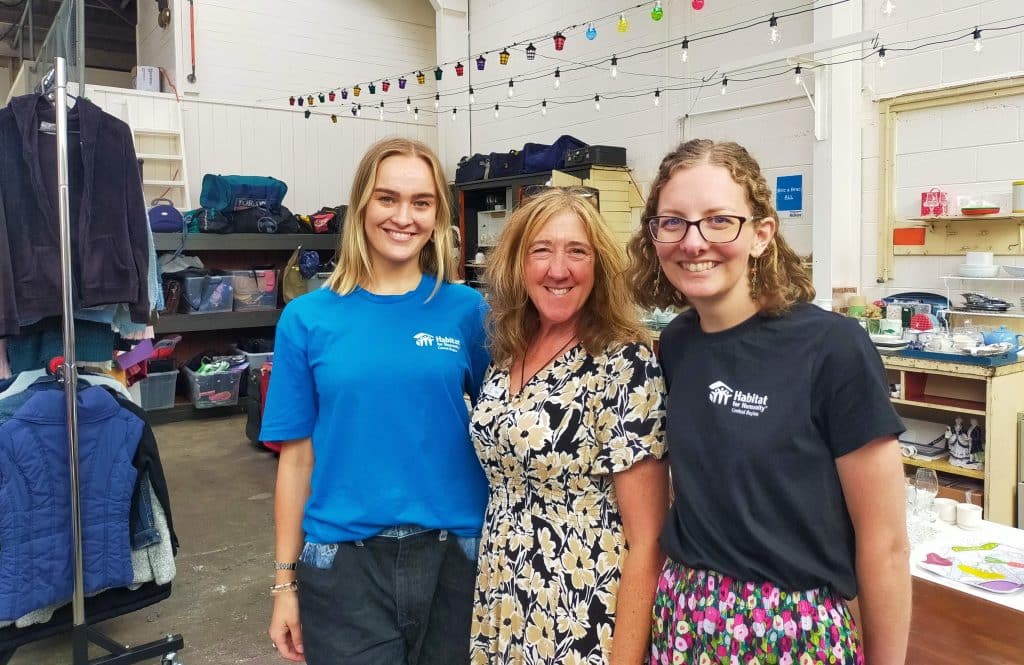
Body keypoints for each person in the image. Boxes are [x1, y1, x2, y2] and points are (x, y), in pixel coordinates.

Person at [626, 139, 910, 664]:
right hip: (682, 622)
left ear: (761, 235)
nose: (693, 241)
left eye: (718, 220)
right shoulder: (679, 344)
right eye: (673, 222)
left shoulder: (832, 347)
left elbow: (886, 543)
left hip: (793, 635)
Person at [262, 137, 490, 665]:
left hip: (455, 552)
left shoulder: (467, 311)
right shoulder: (307, 318)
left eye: (421, 202)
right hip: (343, 564)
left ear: (437, 215)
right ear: (362, 203)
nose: (403, 217)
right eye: (388, 198)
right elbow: (296, 462)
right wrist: (284, 584)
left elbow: (503, 427)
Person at [470, 187, 669, 664]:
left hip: (580, 614)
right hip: (501, 599)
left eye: (576, 251)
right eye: (542, 250)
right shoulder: (509, 348)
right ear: (518, 263)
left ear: (598, 266)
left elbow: (648, 541)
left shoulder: (623, 363)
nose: (558, 269)